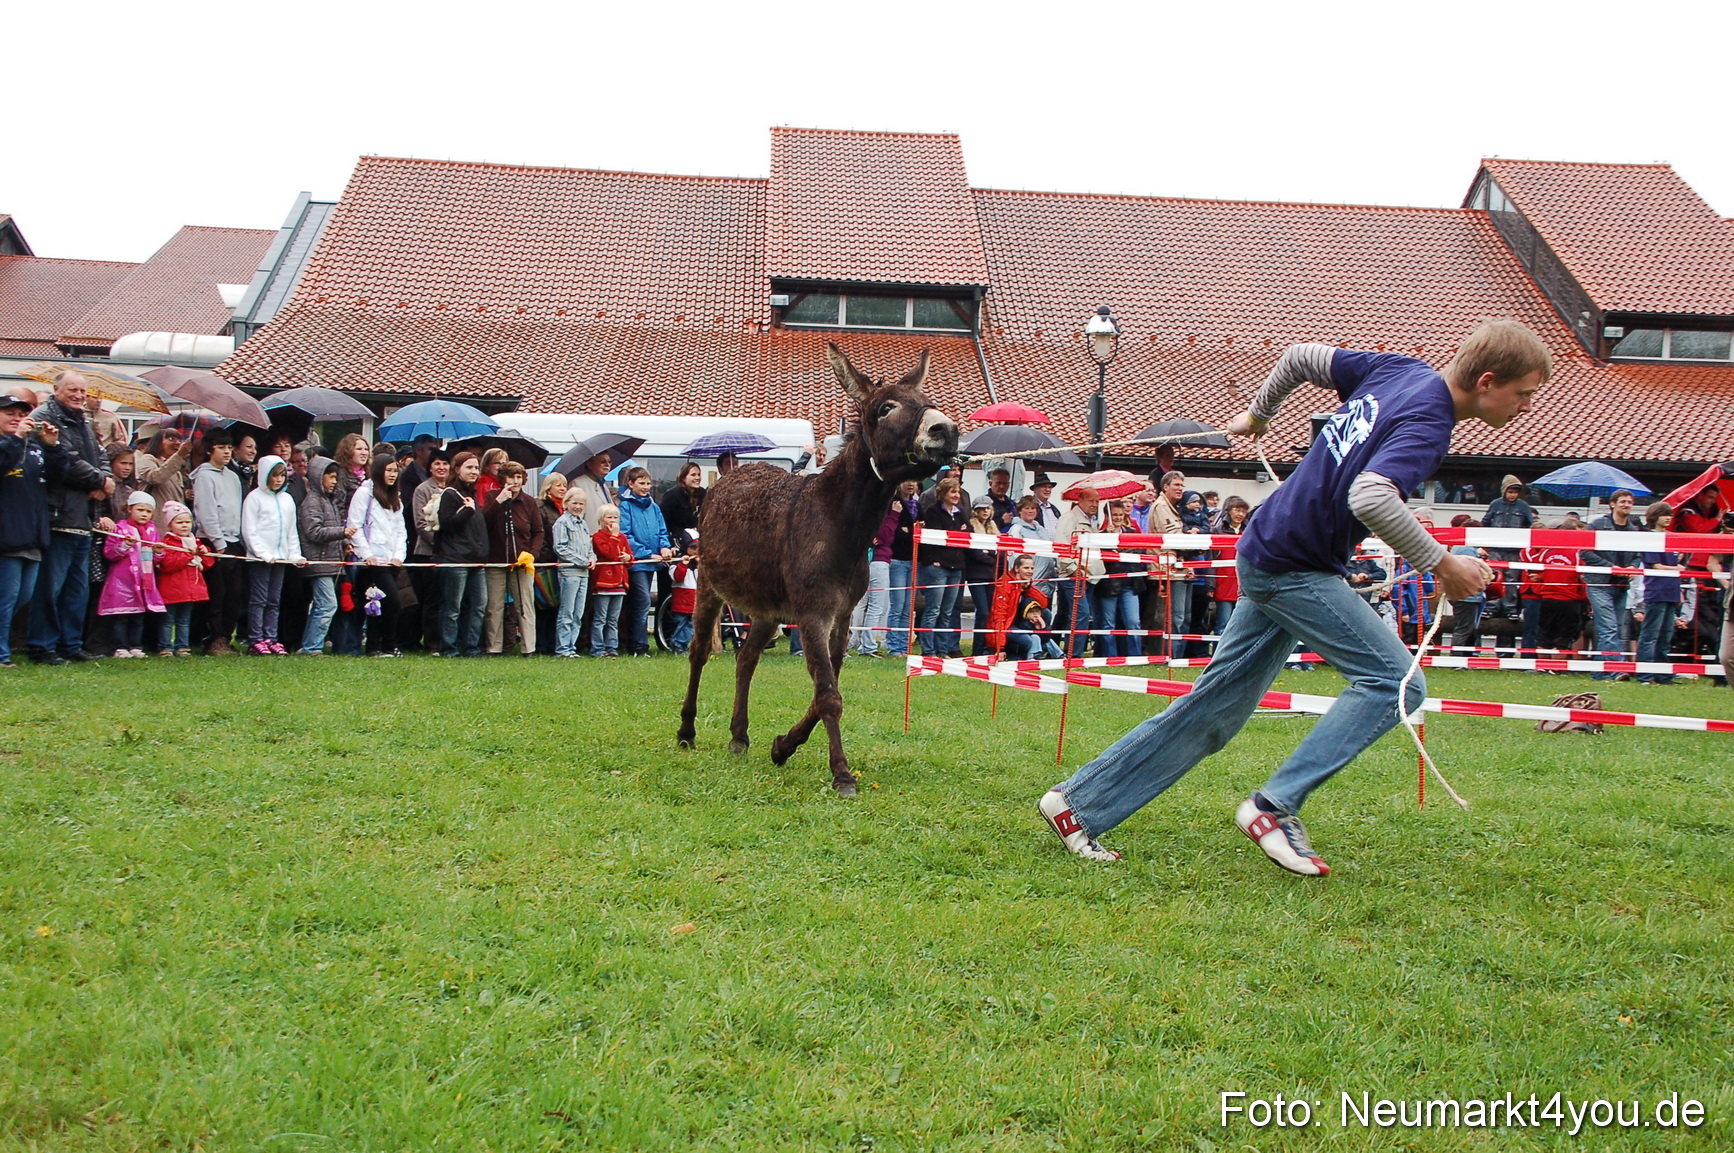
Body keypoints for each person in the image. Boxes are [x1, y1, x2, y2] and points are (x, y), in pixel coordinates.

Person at [1038, 319, 1547, 872]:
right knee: (1395, 683)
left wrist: (1259, 414)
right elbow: (1372, 496)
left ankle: (1077, 804)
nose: (1525, 408)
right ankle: (1273, 808)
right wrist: (1443, 564)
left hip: (1269, 550)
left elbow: (1301, 355)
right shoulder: (1429, 420)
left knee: (1218, 707)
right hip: (1292, 567)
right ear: (1489, 381)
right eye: (1523, 395)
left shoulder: (1399, 371)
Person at [26, 369, 113, 665]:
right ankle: (42, 646)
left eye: (82, 391)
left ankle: (70, 643)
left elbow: (100, 456)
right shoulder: (44, 417)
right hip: (57, 515)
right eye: (72, 390)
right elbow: (65, 462)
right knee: (51, 587)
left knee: (77, 588)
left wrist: (104, 479)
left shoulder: (83, 421)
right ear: (56, 389)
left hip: (83, 519)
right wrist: (99, 482)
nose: (78, 396)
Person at [0, 393, 66, 668]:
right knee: (6, 600)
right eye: (9, 413)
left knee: (21, 599)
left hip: (33, 535)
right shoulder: (10, 445)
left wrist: (52, 447)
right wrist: (17, 440)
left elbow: (58, 476)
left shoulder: (34, 447)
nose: (16, 419)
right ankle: (2, 655)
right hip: (6, 537)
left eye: (21, 414)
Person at [241, 455, 303, 655]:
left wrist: (295, 555)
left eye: (282, 475)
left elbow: (291, 531)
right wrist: (262, 553)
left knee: (274, 600)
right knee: (259, 599)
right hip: (260, 559)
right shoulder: (254, 498)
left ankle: (271, 638)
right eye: (274, 476)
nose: (278, 480)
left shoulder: (287, 499)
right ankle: (255, 639)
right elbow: (249, 530)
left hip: (281, 558)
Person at [191, 431, 247, 654]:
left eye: (229, 447)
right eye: (221, 447)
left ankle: (225, 634)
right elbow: (206, 512)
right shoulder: (204, 477)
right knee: (217, 593)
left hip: (233, 539)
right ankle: (212, 637)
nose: (226, 452)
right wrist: (218, 541)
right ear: (209, 450)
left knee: (234, 594)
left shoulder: (232, 476)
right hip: (214, 542)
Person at [347, 454, 409, 656]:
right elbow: (354, 525)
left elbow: (401, 530)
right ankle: (385, 645)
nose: (392, 475)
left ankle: (380, 646)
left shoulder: (395, 498)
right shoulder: (364, 494)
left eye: (395, 471)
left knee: (379, 604)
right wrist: (366, 554)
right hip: (372, 562)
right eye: (388, 470)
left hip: (390, 560)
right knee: (389, 601)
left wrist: (399, 555)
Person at [482, 461, 543, 656]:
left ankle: (529, 648)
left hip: (522, 562)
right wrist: (499, 501)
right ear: (503, 479)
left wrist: (532, 554)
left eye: (518, 477)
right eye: (511, 477)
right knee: (495, 607)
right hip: (496, 560)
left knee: (525, 605)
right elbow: (484, 522)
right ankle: (494, 647)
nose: (515, 481)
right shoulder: (492, 496)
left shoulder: (529, 502)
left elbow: (538, 531)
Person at [1582, 489, 1644, 679]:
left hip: (1621, 585)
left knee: (1613, 627)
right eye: (1623, 501)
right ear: (1612, 504)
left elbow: (1638, 554)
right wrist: (1611, 567)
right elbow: (1584, 552)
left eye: (1629, 502)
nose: (1626, 505)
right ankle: (1618, 668)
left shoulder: (1633, 530)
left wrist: (1633, 567)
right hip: (1599, 583)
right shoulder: (1597, 525)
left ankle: (1600, 673)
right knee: (1609, 627)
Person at [99, 491, 167, 657]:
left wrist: (158, 553)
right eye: (140, 510)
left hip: (145, 581)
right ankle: (119, 646)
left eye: (148, 511)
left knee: (138, 616)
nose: (144, 514)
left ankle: (136, 645)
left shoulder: (152, 531)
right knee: (121, 616)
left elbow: (153, 560)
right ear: (129, 509)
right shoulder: (120, 529)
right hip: (123, 581)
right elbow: (109, 553)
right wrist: (124, 546)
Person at [297, 456, 353, 655]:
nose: (334, 481)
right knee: (327, 605)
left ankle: (310, 644)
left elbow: (333, 529)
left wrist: (345, 543)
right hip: (319, 562)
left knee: (323, 605)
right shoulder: (312, 501)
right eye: (330, 477)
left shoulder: (328, 500)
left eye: (335, 477)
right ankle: (312, 646)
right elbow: (315, 532)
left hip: (331, 561)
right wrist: (342, 533)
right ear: (318, 477)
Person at [435, 452, 489, 657]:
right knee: (452, 606)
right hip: (455, 558)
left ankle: (471, 646)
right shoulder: (450, 494)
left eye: (476, 468)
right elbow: (446, 524)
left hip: (477, 560)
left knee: (479, 605)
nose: (474, 471)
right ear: (457, 469)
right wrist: (467, 511)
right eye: (469, 467)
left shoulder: (472, 495)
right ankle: (448, 647)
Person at [617, 465, 671, 657]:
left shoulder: (654, 507)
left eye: (648, 483)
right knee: (642, 601)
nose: (646, 487)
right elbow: (626, 535)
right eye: (641, 483)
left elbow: (662, 531)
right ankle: (638, 646)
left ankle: (640, 643)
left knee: (644, 602)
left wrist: (664, 546)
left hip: (654, 562)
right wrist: (647, 553)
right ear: (630, 484)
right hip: (638, 563)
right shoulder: (625, 506)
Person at [1632, 502, 1688, 684]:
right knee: (1650, 634)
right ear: (1654, 517)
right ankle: (1645, 674)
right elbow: (1656, 565)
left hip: (1672, 591)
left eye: (1669, 514)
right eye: (1664, 514)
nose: (1668, 517)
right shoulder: (1649, 538)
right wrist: (1676, 568)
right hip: (1656, 591)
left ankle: (1663, 674)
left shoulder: (1673, 537)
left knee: (1666, 635)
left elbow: (1680, 560)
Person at [918, 477, 968, 657]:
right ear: (943, 493)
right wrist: (957, 533)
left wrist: (958, 534)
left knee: (947, 612)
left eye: (958, 492)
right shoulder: (933, 512)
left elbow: (968, 534)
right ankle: (928, 650)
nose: (956, 495)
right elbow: (937, 539)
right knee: (933, 610)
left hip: (956, 567)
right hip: (938, 566)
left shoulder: (961, 512)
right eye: (953, 492)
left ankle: (942, 649)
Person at [407, 450, 451, 650]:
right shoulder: (422, 489)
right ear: (430, 467)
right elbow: (420, 523)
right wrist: (439, 543)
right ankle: (432, 642)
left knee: (448, 599)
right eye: (437, 464)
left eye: (445, 463)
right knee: (431, 599)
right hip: (428, 552)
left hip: (451, 553)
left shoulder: (453, 488)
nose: (441, 467)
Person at [155, 501, 210, 657]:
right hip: (171, 590)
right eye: (179, 522)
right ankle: (165, 646)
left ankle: (182, 647)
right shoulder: (168, 543)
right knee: (167, 620)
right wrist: (188, 554)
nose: (184, 525)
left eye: (187, 522)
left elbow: (206, 565)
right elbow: (168, 564)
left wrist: (204, 553)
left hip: (190, 590)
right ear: (170, 525)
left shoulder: (196, 541)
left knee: (184, 620)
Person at [1053, 486, 1103, 659]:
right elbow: (1062, 546)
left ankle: (1059, 650)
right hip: (1073, 575)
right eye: (1091, 500)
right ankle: (1073, 655)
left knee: (1067, 615)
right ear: (1080, 500)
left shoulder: (1093, 521)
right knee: (1080, 615)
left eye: (1097, 501)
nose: (1095, 504)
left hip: (1090, 575)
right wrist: (1074, 570)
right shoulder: (1068, 519)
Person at [1093, 501, 1145, 658]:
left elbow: (1140, 549)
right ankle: (1110, 657)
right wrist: (1107, 541)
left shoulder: (1131, 533)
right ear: (1108, 516)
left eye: (1120, 515)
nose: (1117, 518)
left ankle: (1135, 657)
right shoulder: (1100, 536)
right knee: (1108, 623)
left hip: (1130, 584)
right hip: (1108, 585)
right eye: (1114, 515)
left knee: (1133, 622)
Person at [551, 487, 595, 658]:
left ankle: (571, 647)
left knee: (578, 612)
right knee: (567, 612)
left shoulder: (583, 524)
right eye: (574, 503)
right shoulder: (562, 523)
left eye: (581, 503)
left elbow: (589, 547)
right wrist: (582, 561)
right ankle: (562, 648)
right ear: (566, 503)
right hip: (569, 572)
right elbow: (560, 547)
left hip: (584, 573)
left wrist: (592, 558)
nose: (578, 506)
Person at [589, 505, 632, 657]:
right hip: (603, 583)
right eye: (609, 517)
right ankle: (597, 648)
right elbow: (609, 553)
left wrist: (628, 558)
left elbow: (630, 556)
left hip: (620, 583)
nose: (613, 521)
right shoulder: (598, 537)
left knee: (613, 618)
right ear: (601, 520)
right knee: (601, 618)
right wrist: (613, 536)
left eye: (615, 518)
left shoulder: (623, 537)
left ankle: (611, 646)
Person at [884, 480, 921, 657]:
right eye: (907, 481)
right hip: (897, 559)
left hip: (912, 560)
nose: (911, 484)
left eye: (914, 481)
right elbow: (896, 532)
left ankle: (905, 646)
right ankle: (894, 646)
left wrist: (910, 531)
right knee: (897, 605)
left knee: (908, 607)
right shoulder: (894, 503)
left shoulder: (917, 505)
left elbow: (920, 531)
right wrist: (908, 532)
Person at [964, 495, 1001, 655]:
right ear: (975, 510)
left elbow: (1000, 553)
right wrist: (991, 555)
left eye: (987, 508)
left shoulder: (993, 527)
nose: (985, 511)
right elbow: (976, 554)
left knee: (990, 612)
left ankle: (986, 647)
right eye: (981, 508)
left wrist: (990, 554)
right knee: (983, 611)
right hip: (976, 575)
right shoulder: (972, 527)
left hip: (991, 576)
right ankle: (977, 650)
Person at [1213, 495, 1251, 642]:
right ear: (1229, 511)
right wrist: (1211, 585)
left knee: (1243, 627)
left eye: (1243, 511)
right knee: (1222, 624)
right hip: (1223, 582)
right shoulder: (1218, 531)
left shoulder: (1249, 531)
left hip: (1243, 584)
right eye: (1237, 510)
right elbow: (1212, 559)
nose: (1240, 514)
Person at [134, 427, 191, 522]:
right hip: (157, 523)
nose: (177, 443)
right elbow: (155, 478)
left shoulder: (176, 468)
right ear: (157, 442)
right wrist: (179, 456)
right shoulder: (148, 459)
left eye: (179, 440)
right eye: (171, 439)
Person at [669, 529, 700, 653]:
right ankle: (677, 643)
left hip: (694, 600)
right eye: (693, 547)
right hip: (681, 600)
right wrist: (683, 564)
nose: (696, 551)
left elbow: (701, 580)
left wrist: (699, 566)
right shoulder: (677, 562)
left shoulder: (697, 564)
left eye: (698, 547)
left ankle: (679, 643)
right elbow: (677, 577)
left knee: (691, 625)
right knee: (680, 624)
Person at [986, 467, 1016, 531]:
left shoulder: (1013, 504)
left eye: (1005, 483)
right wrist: (1002, 521)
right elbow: (980, 525)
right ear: (990, 484)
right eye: (998, 483)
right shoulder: (984, 503)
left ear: (1009, 484)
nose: (1002, 487)